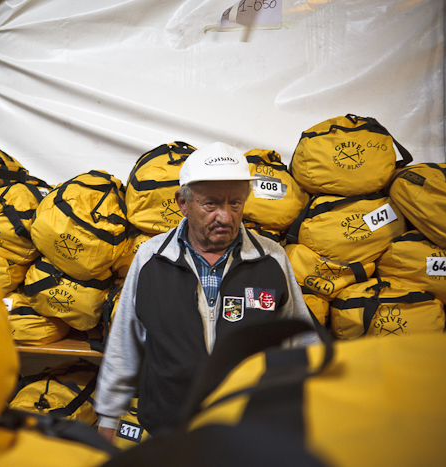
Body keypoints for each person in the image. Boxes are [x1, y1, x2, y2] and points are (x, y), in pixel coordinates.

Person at [94, 141, 319, 441]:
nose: (225, 217)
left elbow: (303, 343)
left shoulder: (271, 258)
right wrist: (108, 418)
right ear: (183, 202)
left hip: (250, 429)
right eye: (211, 204)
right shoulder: (151, 258)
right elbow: (125, 344)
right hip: (169, 430)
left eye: (235, 203)